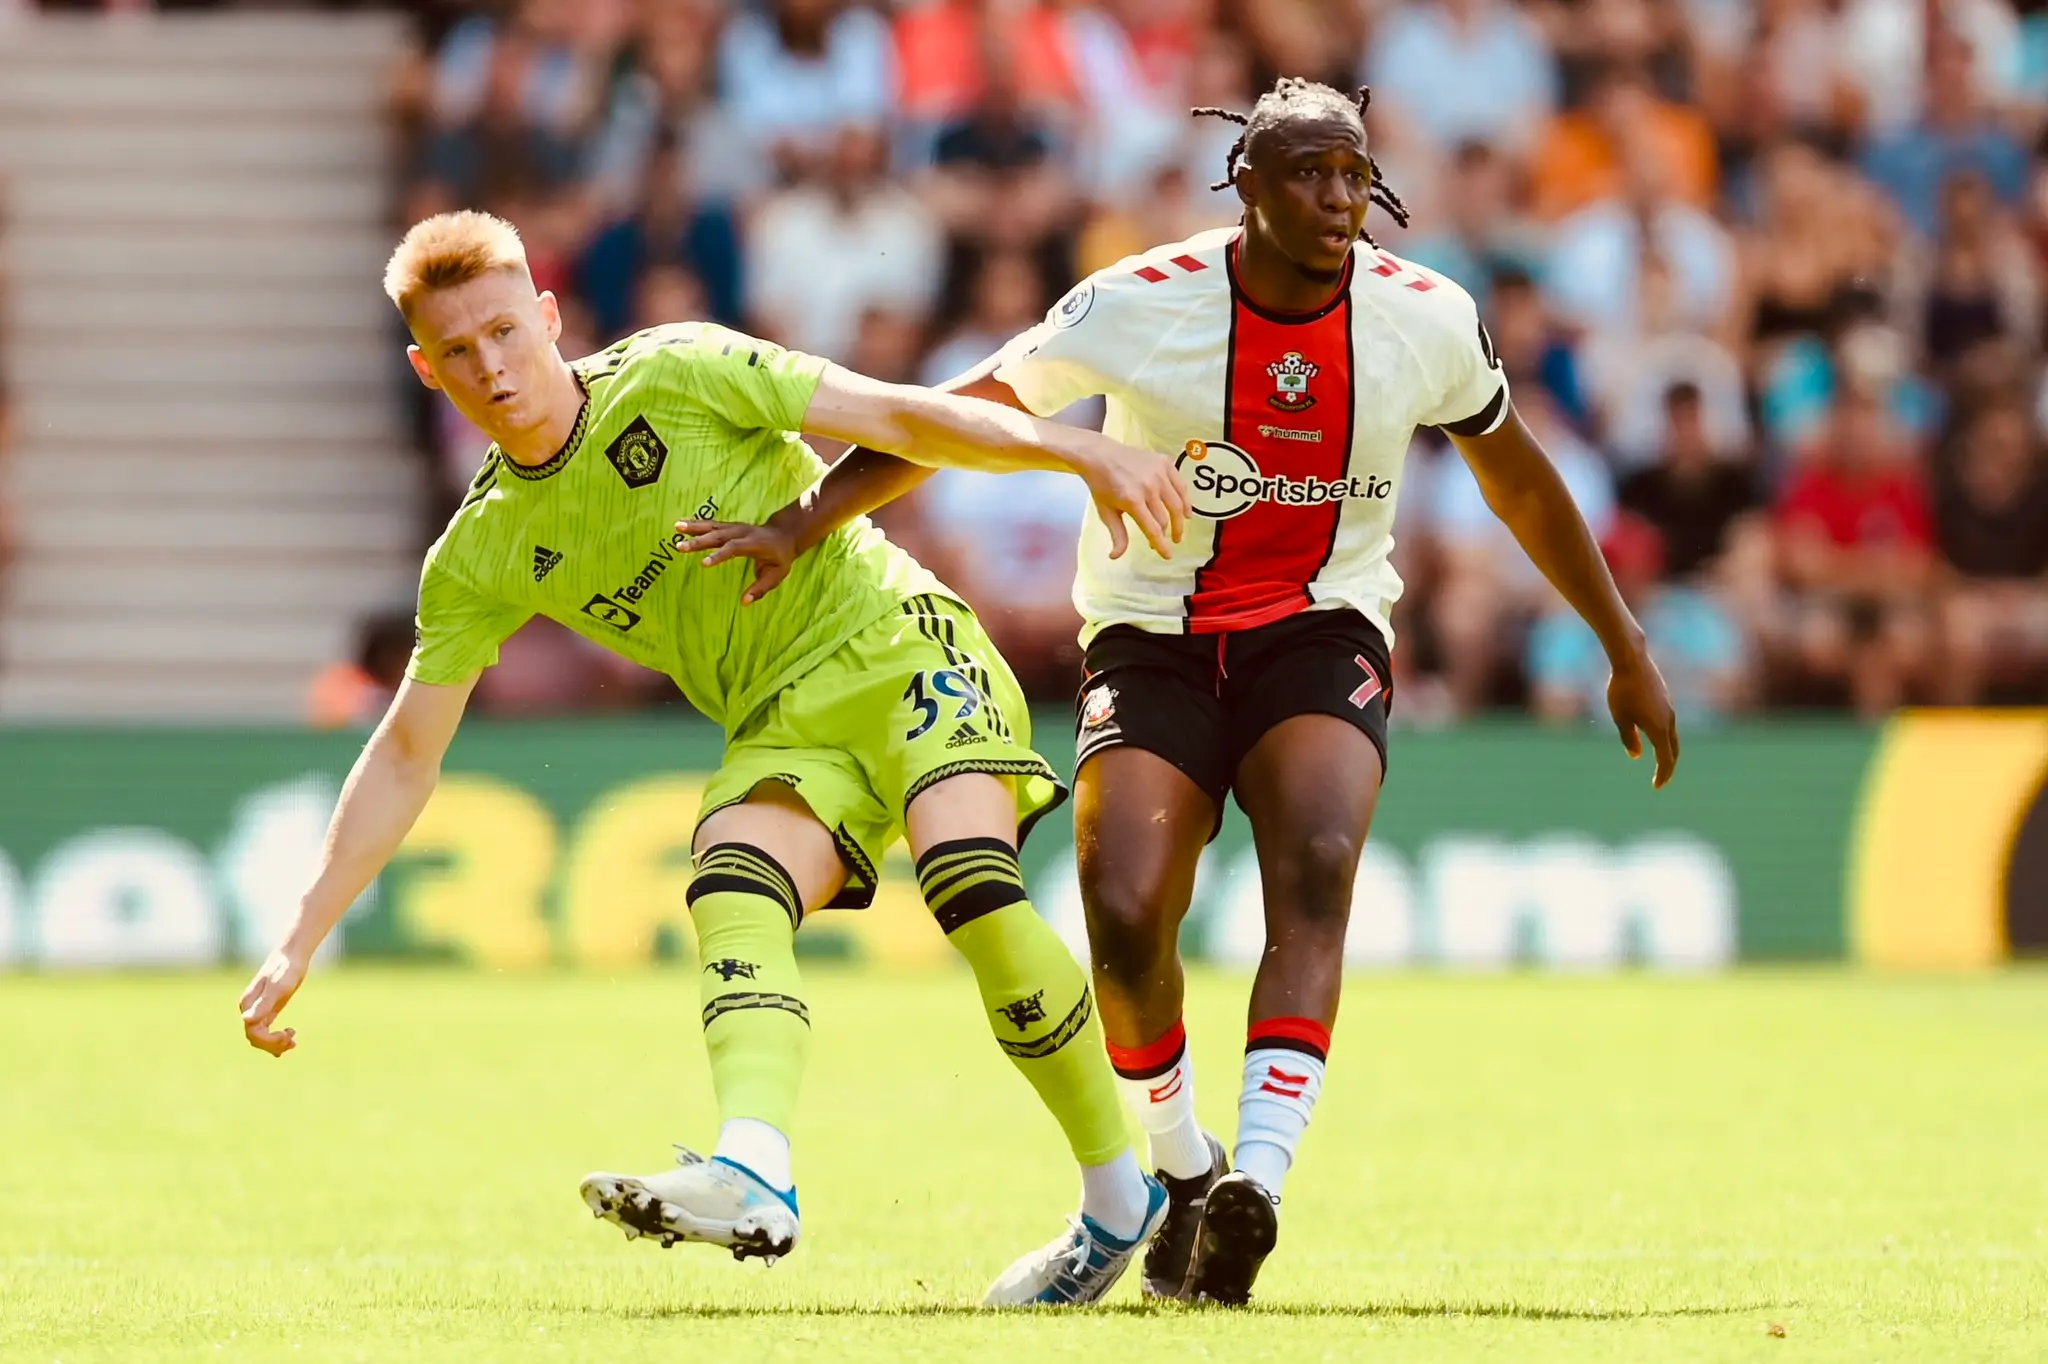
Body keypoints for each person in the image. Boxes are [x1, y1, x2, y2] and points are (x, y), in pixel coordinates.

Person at [676, 78, 1681, 1306]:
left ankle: (1255, 1178)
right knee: (1124, 902)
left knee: (1315, 858)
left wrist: (1622, 641)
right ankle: (1180, 1167)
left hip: (1322, 624)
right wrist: (802, 516)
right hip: (1151, 634)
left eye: (1352, 175)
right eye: (1307, 174)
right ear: (1244, 186)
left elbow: (1516, 478)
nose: (1335, 198)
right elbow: (959, 416)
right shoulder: (1138, 302)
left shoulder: (1424, 318)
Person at [236, 211, 1195, 1308]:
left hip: (891, 640)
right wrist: (300, 935)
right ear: (424, 367)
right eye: (457, 350)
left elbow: (893, 416)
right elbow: (408, 750)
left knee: (969, 884)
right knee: (729, 875)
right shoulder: (482, 549)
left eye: (504, 331)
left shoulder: (682, 370)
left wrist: (1074, 444)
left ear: (548, 317)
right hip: (780, 720)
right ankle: (754, 1169)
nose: (490, 367)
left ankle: (1118, 1196)